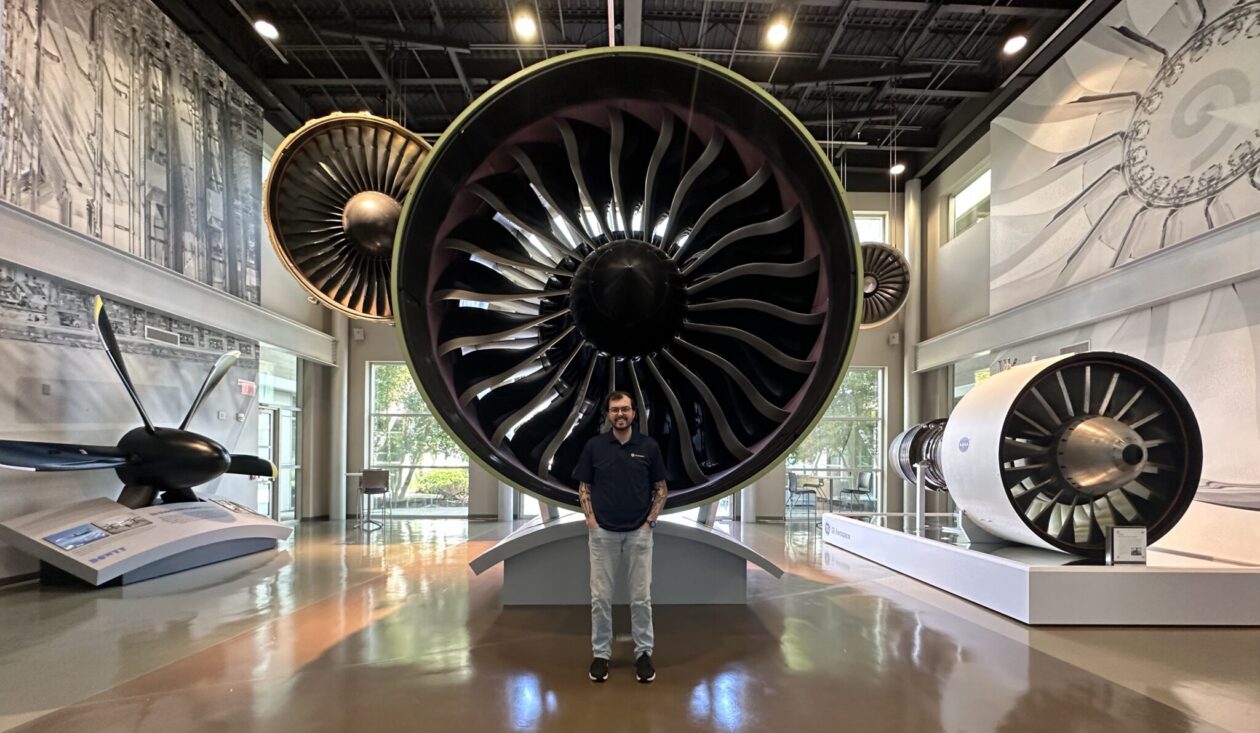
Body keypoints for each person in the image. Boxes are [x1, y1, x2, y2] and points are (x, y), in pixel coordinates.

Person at [574, 390, 668, 684]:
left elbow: (661, 488)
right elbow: (584, 486)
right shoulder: (595, 446)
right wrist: (591, 521)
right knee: (601, 598)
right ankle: (601, 654)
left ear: (634, 413)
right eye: (615, 410)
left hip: (639, 534)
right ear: (608, 414)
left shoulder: (649, 447)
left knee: (641, 598)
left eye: (625, 409)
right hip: (603, 534)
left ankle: (644, 654)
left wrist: (649, 523)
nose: (620, 414)